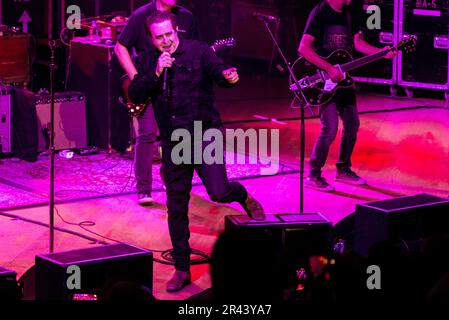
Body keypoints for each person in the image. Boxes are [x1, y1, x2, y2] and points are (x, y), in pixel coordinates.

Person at [128, 11, 266, 292]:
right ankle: (181, 267)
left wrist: (230, 77)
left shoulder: (199, 51)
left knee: (219, 192)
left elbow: (220, 73)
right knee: (176, 205)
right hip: (174, 141)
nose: (166, 41)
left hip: (205, 135)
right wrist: (156, 72)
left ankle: (241, 195)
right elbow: (136, 92)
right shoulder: (148, 60)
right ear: (152, 39)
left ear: (176, 30)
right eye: (160, 37)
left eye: (169, 34)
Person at [298, 0, 396, 191]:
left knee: (352, 125)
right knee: (330, 129)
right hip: (324, 81)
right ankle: (313, 175)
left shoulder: (351, 13)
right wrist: (328, 68)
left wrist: (381, 52)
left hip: (344, 80)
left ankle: (343, 170)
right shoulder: (320, 11)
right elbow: (303, 47)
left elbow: (357, 43)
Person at [115, 0, 199, 205]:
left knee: (178, 135)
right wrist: (136, 78)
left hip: (177, 86)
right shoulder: (141, 16)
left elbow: (195, 49)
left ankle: (169, 175)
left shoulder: (186, 16)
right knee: (147, 134)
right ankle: (143, 188)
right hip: (150, 84)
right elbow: (120, 47)